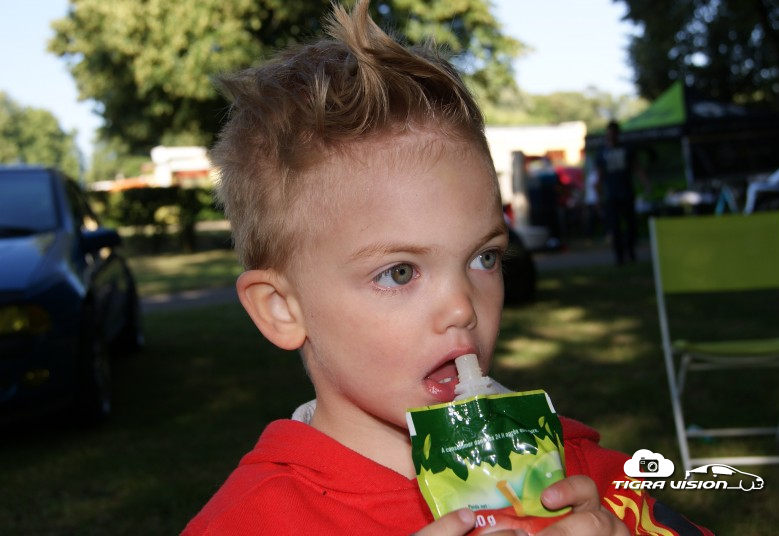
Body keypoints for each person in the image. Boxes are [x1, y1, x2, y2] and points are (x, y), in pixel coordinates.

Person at [182, 2, 711, 535]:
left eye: (484, 258)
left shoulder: (586, 480)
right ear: (282, 308)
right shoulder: (247, 523)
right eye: (399, 272)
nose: (462, 306)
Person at [594, 120, 649, 265]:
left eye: (614, 133)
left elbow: (637, 168)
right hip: (611, 194)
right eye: (609, 133)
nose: (612, 136)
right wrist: (598, 196)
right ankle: (619, 256)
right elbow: (599, 176)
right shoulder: (602, 152)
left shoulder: (627, 149)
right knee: (615, 226)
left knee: (631, 224)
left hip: (626, 192)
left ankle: (630, 250)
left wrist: (645, 183)